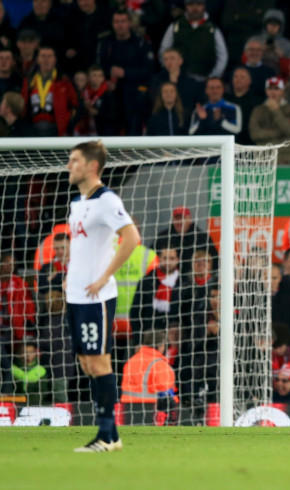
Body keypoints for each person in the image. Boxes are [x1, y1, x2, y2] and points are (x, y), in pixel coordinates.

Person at [65, 140, 140, 452]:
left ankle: (106, 437)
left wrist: (104, 276)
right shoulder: (77, 203)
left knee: (99, 362)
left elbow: (132, 237)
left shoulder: (107, 200)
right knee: (86, 362)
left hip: (97, 298)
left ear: (92, 166)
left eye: (74, 160)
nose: (69, 166)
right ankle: (113, 435)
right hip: (76, 296)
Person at [158, 0, 227, 82]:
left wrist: (213, 76)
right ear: (186, 7)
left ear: (203, 6)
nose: (195, 8)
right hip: (178, 78)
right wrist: (170, 71)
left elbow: (222, 56)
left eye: (198, 4)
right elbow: (164, 50)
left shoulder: (212, 29)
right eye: (191, 5)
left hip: (203, 79)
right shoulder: (175, 26)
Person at [120, 330, 179, 426]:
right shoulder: (161, 365)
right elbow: (167, 394)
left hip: (127, 411)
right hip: (150, 412)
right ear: (160, 346)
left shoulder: (130, 361)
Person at [248, 76, 290, 164]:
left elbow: (289, 130)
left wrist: (276, 110)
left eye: (277, 89)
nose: (273, 92)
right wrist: (278, 133)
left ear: (283, 91)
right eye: (270, 88)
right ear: (266, 91)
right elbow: (254, 134)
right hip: (263, 159)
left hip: (284, 159)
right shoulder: (258, 110)